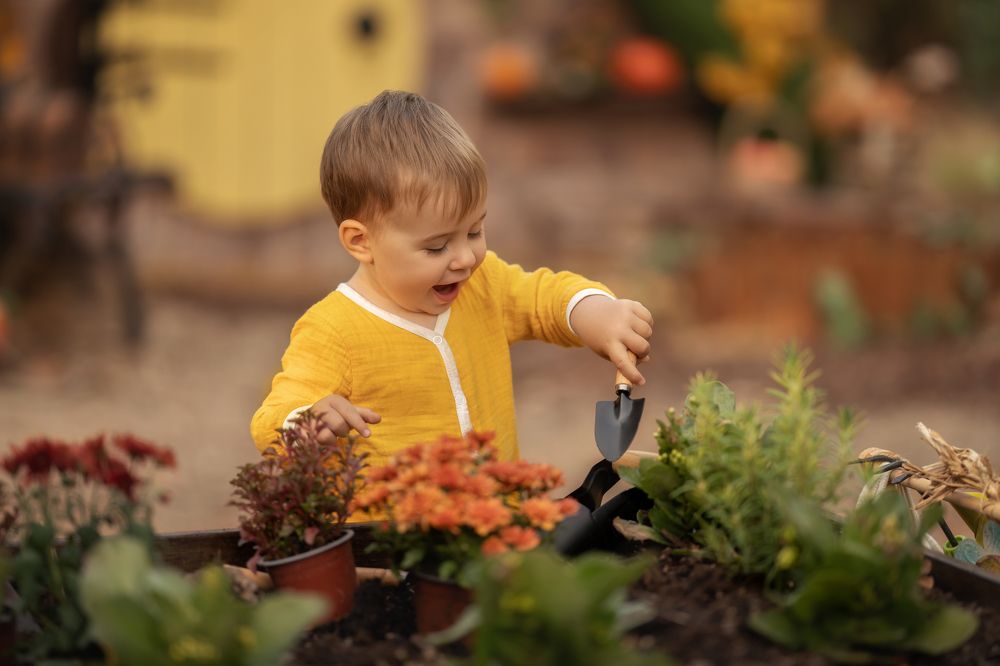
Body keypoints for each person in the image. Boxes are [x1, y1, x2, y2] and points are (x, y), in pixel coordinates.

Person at [250, 90, 653, 466]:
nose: (465, 258)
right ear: (361, 241)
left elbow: (541, 298)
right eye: (437, 246)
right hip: (395, 534)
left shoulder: (481, 286)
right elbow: (274, 414)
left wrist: (594, 311)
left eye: (475, 232)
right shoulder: (333, 331)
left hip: (496, 521)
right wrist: (306, 420)